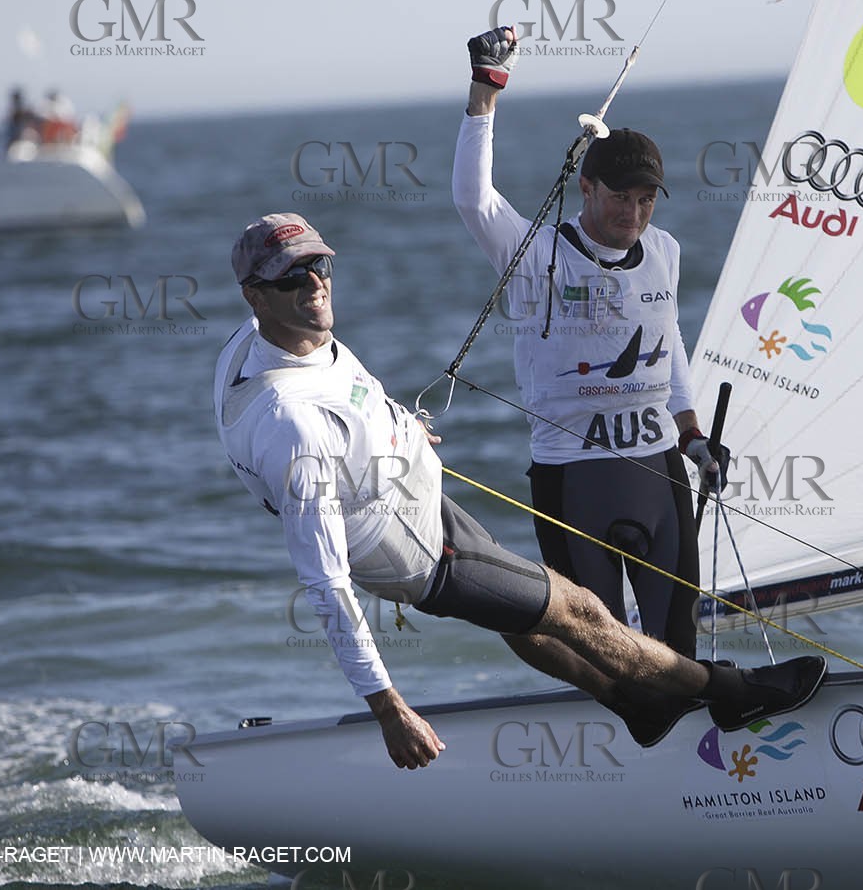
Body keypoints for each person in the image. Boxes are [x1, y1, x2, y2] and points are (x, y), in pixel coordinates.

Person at [213, 213, 825, 770]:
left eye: (319, 264)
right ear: (255, 295)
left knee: (519, 617)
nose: (313, 283)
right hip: (415, 549)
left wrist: (401, 432)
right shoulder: (290, 424)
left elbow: (350, 404)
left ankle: (633, 705)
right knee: (578, 609)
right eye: (291, 278)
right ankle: (732, 693)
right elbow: (325, 581)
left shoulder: (256, 341)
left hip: (410, 506)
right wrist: (389, 709)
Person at [451, 27, 728, 660]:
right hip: (574, 481)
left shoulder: (664, 252)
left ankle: (682, 737)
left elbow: (669, 343)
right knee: (602, 651)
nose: (634, 212)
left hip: (659, 475)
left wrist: (691, 435)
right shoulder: (537, 253)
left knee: (677, 648)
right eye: (619, 196)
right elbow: (472, 198)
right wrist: (484, 94)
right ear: (586, 188)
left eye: (646, 198)